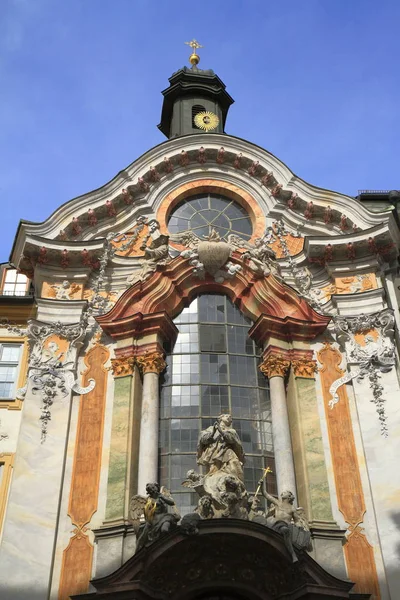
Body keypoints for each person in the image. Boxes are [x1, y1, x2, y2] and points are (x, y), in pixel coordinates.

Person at [197, 414, 245, 481]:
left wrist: (221, 432)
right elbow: (203, 440)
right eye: (226, 416)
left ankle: (235, 481)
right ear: (220, 418)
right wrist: (213, 433)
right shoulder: (211, 428)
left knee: (234, 464)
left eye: (230, 417)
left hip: (226, 451)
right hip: (213, 452)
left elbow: (232, 441)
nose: (228, 417)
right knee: (213, 473)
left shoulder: (232, 431)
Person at [136, 483, 179, 552]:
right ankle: (138, 552)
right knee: (143, 536)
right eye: (151, 489)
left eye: (153, 488)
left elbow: (171, 502)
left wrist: (162, 496)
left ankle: (170, 546)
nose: (153, 489)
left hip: (164, 517)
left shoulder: (161, 496)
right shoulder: (148, 499)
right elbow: (145, 511)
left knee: (164, 529)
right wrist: (148, 520)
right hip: (153, 520)